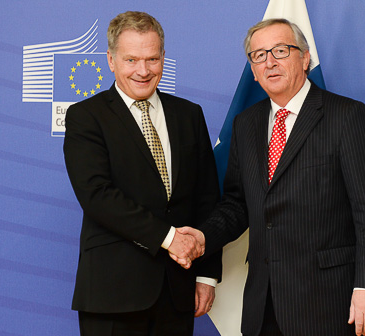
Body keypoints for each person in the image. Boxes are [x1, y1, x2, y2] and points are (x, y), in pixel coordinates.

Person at [180, 18, 365, 336]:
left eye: (280, 50)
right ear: (253, 70)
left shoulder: (346, 116)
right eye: (259, 55)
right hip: (263, 303)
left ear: (305, 58)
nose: (270, 62)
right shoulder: (245, 125)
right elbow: (238, 205)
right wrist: (203, 238)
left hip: (330, 303)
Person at [63, 11, 221, 336]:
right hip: (112, 294)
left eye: (152, 58)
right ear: (110, 60)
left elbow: (207, 198)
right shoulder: (86, 117)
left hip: (177, 292)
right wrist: (170, 239)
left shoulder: (189, 115)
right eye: (131, 59)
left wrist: (206, 276)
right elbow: (98, 196)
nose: (143, 70)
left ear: (164, 57)